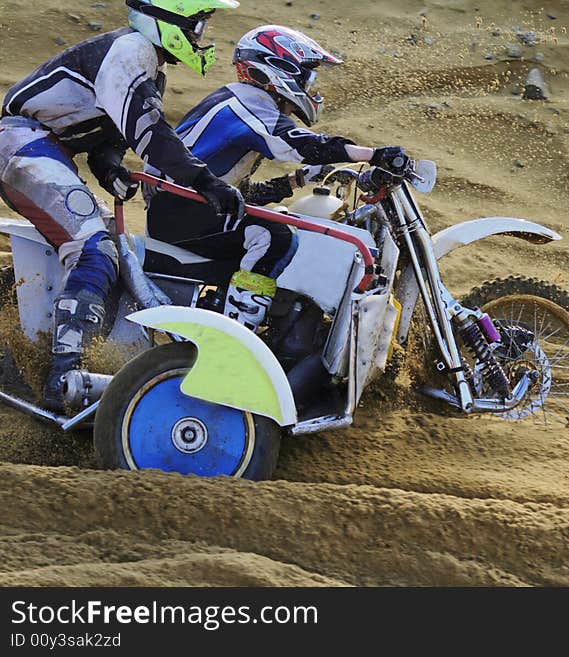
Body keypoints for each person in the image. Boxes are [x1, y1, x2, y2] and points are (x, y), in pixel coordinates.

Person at [0, 0, 247, 411]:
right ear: (170, 21)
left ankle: (51, 349)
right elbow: (151, 134)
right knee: (94, 251)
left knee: (116, 250)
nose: (200, 38)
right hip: (24, 145)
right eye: (197, 26)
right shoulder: (132, 51)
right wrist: (207, 182)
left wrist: (110, 167)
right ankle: (64, 375)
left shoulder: (148, 65)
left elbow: (106, 135)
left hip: (41, 147)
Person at [144, 25, 410, 331]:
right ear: (278, 70)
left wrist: (297, 181)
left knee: (279, 221)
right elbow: (304, 145)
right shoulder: (246, 103)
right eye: (306, 78)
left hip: (188, 207)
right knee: (275, 236)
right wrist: (374, 154)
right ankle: (238, 332)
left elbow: (239, 194)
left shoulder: (241, 101)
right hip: (179, 210)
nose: (311, 88)